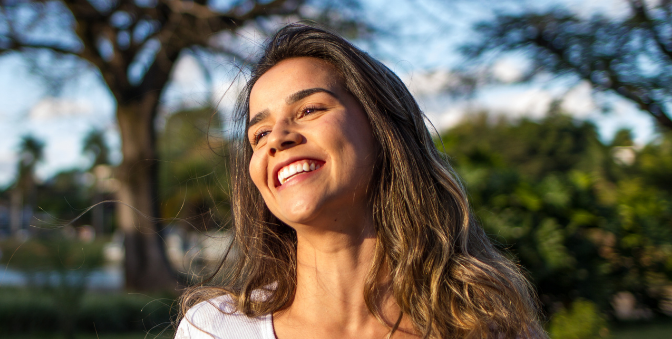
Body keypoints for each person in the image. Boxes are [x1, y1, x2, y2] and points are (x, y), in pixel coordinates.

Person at [175, 23, 546, 339]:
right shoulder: (212, 330)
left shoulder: (487, 329)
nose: (278, 138)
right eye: (259, 134)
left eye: (309, 110)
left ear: (383, 130)